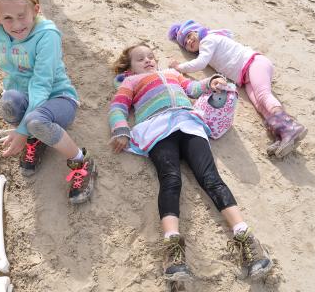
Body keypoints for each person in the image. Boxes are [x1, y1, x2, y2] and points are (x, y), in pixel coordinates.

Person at [109, 43, 272, 281]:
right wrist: (121, 129)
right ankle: (173, 250)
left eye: (151, 56)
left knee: (211, 178)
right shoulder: (130, 82)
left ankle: (246, 238)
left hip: (188, 123)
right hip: (157, 129)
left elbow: (193, 88)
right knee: (170, 180)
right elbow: (118, 106)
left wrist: (211, 82)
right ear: (130, 68)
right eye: (140, 59)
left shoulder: (171, 74)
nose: (148, 60)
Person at [0, 0, 96, 204]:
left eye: (21, 16)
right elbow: (13, 75)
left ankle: (81, 161)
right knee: (8, 102)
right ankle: (37, 137)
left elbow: (41, 84)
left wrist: (23, 129)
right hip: (30, 99)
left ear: (35, 9)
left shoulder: (48, 35)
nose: (16, 25)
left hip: (58, 99)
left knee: (35, 121)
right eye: (7, 18)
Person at [168, 20, 307, 158]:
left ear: (198, 31)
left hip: (254, 63)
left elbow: (201, 63)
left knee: (263, 94)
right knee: (259, 105)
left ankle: (289, 127)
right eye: (185, 44)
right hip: (245, 77)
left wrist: (179, 67)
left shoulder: (208, 40)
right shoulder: (206, 46)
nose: (188, 42)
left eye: (189, 36)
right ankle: (282, 133)